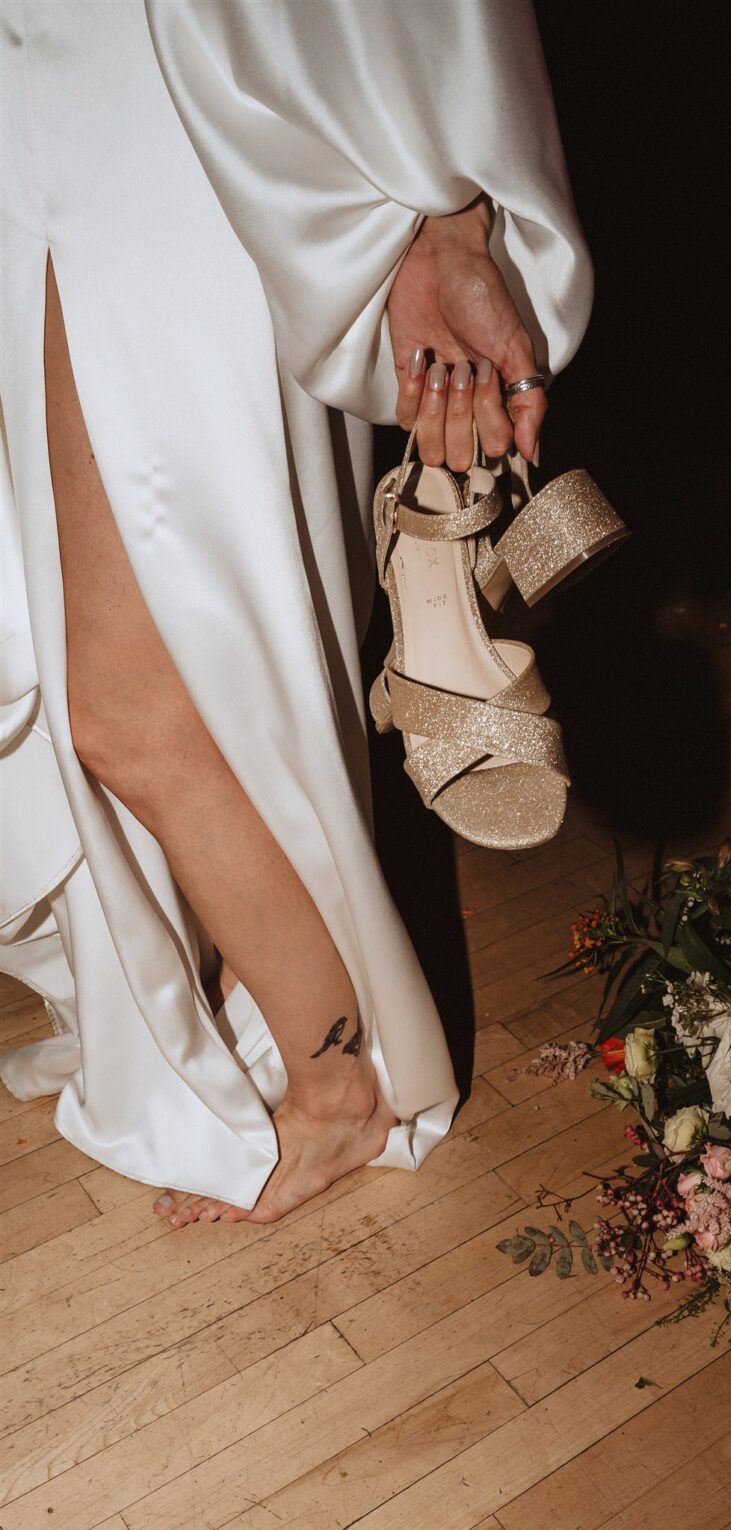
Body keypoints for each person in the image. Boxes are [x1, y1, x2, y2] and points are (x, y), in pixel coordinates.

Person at [0, 2, 593, 1225]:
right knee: (142, 668)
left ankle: (339, 1083)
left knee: (122, 710)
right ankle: (244, 985)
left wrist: (450, 207)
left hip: (159, 119)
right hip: (35, 124)